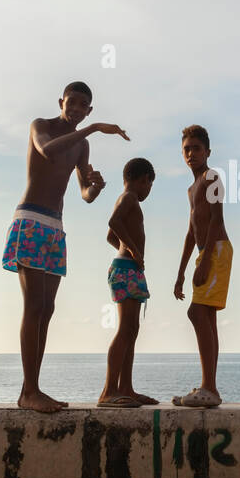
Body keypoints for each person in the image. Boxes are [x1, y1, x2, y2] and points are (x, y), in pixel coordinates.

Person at [3, 82, 129, 413]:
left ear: (89, 109)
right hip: (30, 219)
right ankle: (28, 391)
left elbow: (84, 193)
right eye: (71, 102)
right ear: (61, 102)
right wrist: (93, 128)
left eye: (83, 105)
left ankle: (33, 389)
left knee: (47, 308)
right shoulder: (41, 126)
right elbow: (47, 151)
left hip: (55, 227)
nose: (75, 108)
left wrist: (95, 187)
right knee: (33, 306)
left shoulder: (81, 147)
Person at [172, 126, 232, 408]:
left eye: (196, 148)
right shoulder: (190, 188)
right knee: (206, 318)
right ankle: (210, 386)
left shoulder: (212, 178)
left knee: (197, 313)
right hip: (204, 251)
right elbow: (189, 231)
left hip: (216, 250)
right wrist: (181, 272)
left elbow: (217, 219)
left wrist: (206, 259)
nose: (191, 153)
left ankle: (209, 386)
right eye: (187, 149)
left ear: (208, 151)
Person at [98, 159, 156, 407]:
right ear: (143, 179)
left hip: (129, 268)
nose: (148, 191)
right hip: (125, 269)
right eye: (149, 185)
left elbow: (112, 237)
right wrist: (133, 251)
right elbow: (113, 223)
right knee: (125, 329)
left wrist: (127, 249)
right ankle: (108, 391)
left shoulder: (129, 200)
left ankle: (126, 388)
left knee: (132, 329)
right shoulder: (129, 197)